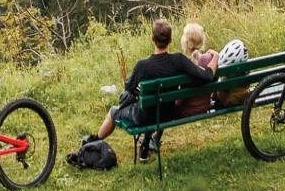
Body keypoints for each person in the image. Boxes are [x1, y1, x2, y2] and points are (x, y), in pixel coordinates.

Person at [86, 17, 215, 161]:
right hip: (168, 112)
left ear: (152, 38)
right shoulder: (179, 60)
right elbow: (206, 76)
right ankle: (145, 148)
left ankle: (92, 142)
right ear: (171, 40)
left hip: (146, 117)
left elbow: (128, 87)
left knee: (113, 112)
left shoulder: (142, 66)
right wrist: (215, 57)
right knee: (158, 102)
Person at [173, 23, 220, 118]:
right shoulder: (211, 60)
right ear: (202, 41)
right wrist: (216, 56)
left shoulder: (183, 65)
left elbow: (178, 97)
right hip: (204, 107)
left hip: (184, 111)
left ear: (185, 42)